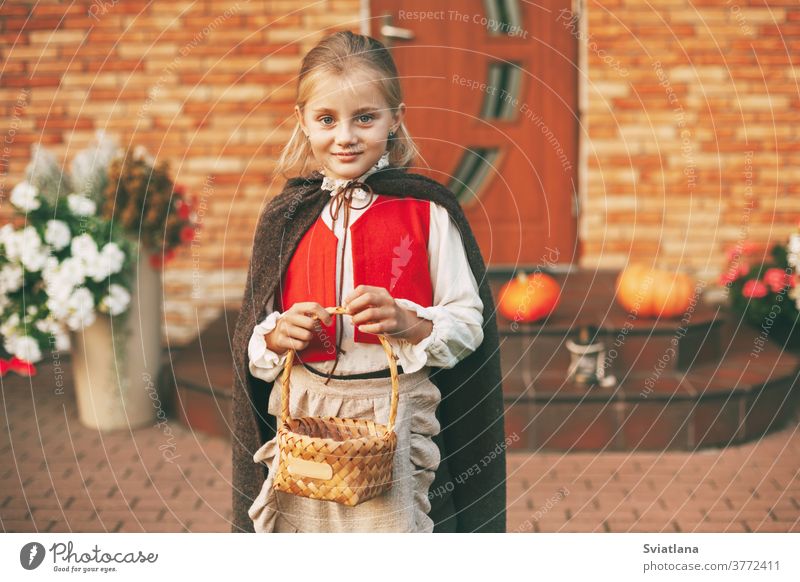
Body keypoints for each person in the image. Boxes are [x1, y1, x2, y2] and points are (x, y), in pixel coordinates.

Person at [231, 30, 506, 533]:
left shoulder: (425, 211)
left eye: (365, 117)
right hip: (304, 416)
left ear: (394, 118)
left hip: (393, 416)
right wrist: (274, 336)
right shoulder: (288, 216)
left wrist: (409, 322)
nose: (345, 136)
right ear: (303, 122)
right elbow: (253, 337)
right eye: (326, 120)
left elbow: (470, 324)